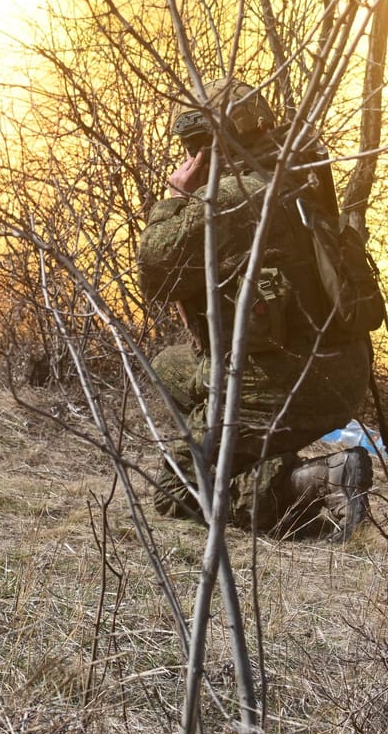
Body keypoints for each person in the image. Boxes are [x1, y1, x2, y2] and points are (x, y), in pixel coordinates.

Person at [140, 78, 374, 536]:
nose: (190, 157)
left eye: (195, 145)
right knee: (168, 365)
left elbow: (156, 271)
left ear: (216, 142)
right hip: (338, 370)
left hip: (295, 379)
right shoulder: (300, 173)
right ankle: (248, 448)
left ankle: (314, 484)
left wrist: (176, 198)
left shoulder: (236, 197)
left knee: (176, 493)